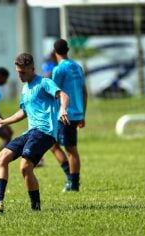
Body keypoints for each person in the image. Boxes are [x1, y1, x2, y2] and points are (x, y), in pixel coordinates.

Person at [0, 53, 70, 212]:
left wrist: (62, 109)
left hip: (45, 132)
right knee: (1, 159)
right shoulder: (25, 89)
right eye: (18, 72)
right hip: (31, 132)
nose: (20, 75)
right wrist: (3, 121)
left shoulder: (44, 83)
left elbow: (63, 95)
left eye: (23, 72)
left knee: (25, 167)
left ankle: (35, 208)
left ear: (32, 69)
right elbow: (23, 112)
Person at [50, 38, 88, 192]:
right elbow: (84, 92)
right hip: (77, 113)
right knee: (54, 144)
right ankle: (71, 180)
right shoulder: (78, 67)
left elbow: (54, 93)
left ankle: (73, 183)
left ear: (55, 52)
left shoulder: (58, 70)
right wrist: (82, 115)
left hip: (64, 115)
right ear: (68, 50)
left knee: (70, 149)